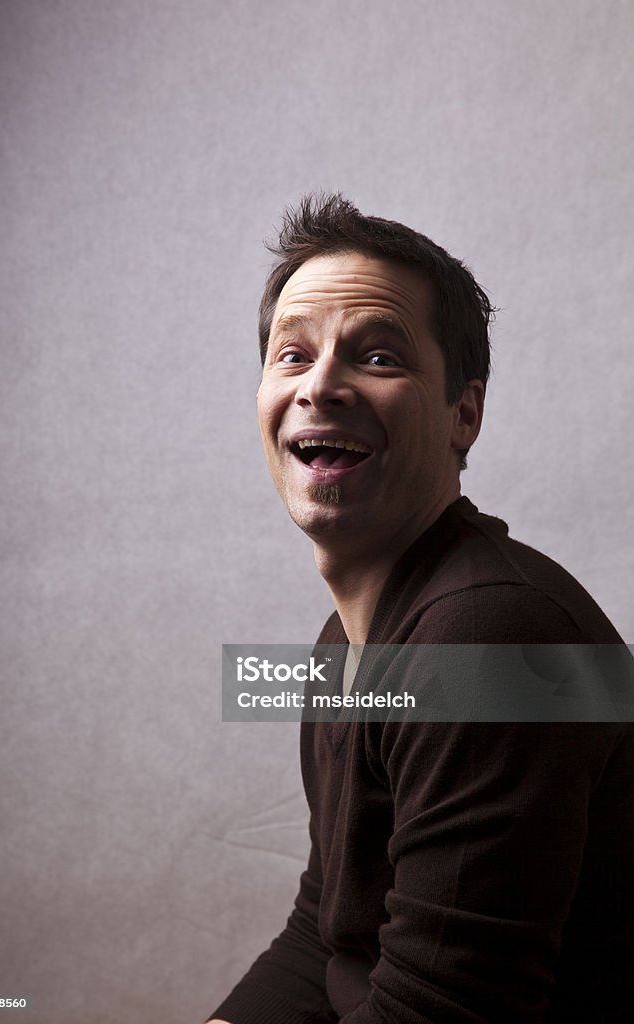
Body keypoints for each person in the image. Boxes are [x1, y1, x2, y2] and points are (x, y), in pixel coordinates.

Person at [206, 194, 634, 1023]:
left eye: (375, 357)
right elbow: (328, 935)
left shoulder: (490, 636)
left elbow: (444, 1009)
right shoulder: (348, 646)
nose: (320, 384)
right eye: (291, 355)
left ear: (461, 415)